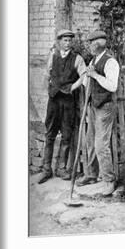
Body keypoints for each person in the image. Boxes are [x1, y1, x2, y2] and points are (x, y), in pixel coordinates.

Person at [38, 29, 86, 184]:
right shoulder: (53, 55)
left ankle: (61, 169)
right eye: (65, 40)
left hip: (68, 102)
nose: (67, 43)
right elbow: (47, 74)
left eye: (69, 40)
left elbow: (84, 76)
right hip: (54, 101)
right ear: (59, 42)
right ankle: (46, 169)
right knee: (50, 134)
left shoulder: (77, 58)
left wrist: (73, 87)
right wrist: (48, 90)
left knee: (66, 136)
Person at [76, 30, 120, 197]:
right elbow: (89, 83)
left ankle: (109, 180)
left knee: (101, 144)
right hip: (93, 106)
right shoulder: (94, 60)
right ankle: (91, 175)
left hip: (105, 107)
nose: (88, 46)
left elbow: (112, 86)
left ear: (96, 45)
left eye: (90, 43)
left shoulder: (110, 62)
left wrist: (94, 74)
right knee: (89, 141)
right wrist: (87, 76)